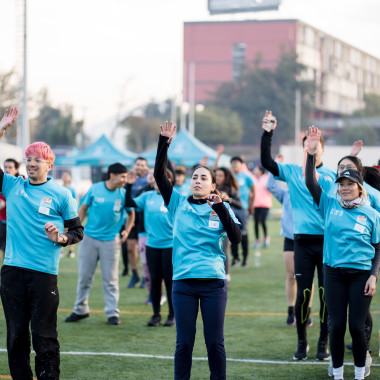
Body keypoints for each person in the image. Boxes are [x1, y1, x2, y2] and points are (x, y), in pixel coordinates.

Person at [0, 107, 84, 380]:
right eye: (28, 159)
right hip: (12, 271)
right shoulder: (13, 186)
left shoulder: (62, 195)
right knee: (15, 337)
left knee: (45, 337)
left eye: (37, 159)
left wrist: (60, 239)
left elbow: (77, 231)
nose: (31, 163)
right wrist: (1, 128)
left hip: (44, 274)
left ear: (50, 164)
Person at [154, 121, 241, 380]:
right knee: (184, 343)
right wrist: (163, 143)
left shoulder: (222, 209)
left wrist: (221, 207)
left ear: (213, 185)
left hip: (213, 283)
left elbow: (235, 238)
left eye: (204, 178)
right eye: (195, 177)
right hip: (183, 283)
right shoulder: (177, 202)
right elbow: (160, 175)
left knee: (215, 342)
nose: (198, 180)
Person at [305, 126, 380, 380]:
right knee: (335, 327)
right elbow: (310, 181)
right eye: (342, 184)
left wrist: (373, 276)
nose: (345, 188)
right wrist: (311, 153)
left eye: (350, 184)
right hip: (333, 273)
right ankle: (337, 374)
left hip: (361, 276)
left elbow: (378, 247)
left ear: (360, 187)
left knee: (356, 328)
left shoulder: (371, 214)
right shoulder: (329, 203)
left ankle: (359, 374)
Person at [261, 110, 335, 361]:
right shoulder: (292, 171)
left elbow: (315, 191)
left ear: (321, 150)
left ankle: (322, 344)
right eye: (305, 146)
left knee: (326, 296)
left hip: (326, 243)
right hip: (301, 242)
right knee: (304, 294)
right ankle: (302, 343)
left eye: (313, 147)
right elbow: (267, 163)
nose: (309, 149)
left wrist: (312, 160)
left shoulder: (330, 177)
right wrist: (267, 134)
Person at [65, 163, 134, 325]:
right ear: (112, 175)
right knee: (84, 277)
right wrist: (77, 229)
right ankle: (80, 309)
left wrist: (127, 230)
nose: (125, 180)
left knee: (110, 279)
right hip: (89, 238)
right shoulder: (95, 189)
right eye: (123, 177)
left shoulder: (124, 194)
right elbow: (82, 210)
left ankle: (112, 313)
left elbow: (131, 215)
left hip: (111, 241)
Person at [125, 168, 175, 326]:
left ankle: (172, 316)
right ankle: (156, 315)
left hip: (170, 246)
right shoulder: (147, 196)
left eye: (158, 178)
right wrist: (128, 186)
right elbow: (130, 203)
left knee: (169, 281)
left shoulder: (175, 196)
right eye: (154, 179)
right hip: (152, 245)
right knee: (154, 281)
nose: (154, 181)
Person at [215, 166, 242, 285]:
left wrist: (228, 199)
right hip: (212, 224)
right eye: (216, 175)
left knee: (224, 250)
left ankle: (226, 275)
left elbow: (240, 204)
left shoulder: (230, 189)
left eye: (220, 175)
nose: (218, 177)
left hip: (226, 224)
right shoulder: (210, 189)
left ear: (225, 177)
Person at [127, 157, 149, 288]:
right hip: (130, 215)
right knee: (130, 248)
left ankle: (145, 274)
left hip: (143, 216)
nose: (140, 167)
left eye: (142, 165)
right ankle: (135, 273)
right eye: (138, 164)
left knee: (143, 248)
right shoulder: (129, 178)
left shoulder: (148, 179)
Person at [230, 155, 254, 266]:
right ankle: (235, 257)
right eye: (233, 163)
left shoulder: (246, 177)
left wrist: (251, 205)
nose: (235, 165)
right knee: (232, 233)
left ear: (241, 164)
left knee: (243, 233)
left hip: (243, 209)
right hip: (231, 209)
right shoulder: (229, 177)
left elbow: (253, 191)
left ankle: (245, 258)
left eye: (237, 162)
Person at [0, 158, 21, 259]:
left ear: (16, 170)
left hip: (17, 224)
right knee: (4, 249)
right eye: (5, 167)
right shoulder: (2, 184)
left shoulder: (22, 184)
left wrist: (6, 204)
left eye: (10, 167)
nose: (7, 169)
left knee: (16, 250)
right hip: (3, 223)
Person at [252, 165, 272, 249]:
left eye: (256, 169)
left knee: (262, 221)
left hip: (265, 204)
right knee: (256, 222)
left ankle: (266, 237)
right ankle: (257, 240)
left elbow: (271, 187)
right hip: (255, 204)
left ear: (260, 171)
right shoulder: (253, 179)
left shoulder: (266, 178)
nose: (254, 171)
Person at [61, 171, 77, 258]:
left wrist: (74, 211)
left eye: (66, 176)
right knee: (62, 231)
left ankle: (71, 251)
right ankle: (61, 251)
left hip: (70, 214)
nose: (65, 177)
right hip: (62, 214)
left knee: (72, 231)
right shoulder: (60, 188)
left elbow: (76, 199)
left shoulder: (72, 189)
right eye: (63, 176)